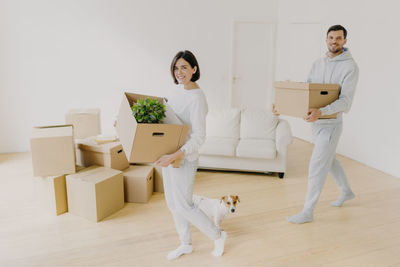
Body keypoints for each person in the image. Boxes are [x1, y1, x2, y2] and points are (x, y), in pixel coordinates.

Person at [273, 25, 359, 224]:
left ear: (345, 41)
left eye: (338, 38)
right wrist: (283, 105)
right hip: (316, 124)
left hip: (331, 125)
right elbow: (307, 92)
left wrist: (323, 112)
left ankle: (308, 211)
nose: (334, 41)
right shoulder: (317, 63)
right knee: (329, 160)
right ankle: (346, 191)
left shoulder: (350, 67)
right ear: (326, 39)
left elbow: (345, 102)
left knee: (316, 166)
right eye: (331, 37)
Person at [155, 50, 227, 259]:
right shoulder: (178, 91)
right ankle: (185, 243)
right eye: (176, 68)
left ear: (194, 69)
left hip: (184, 159)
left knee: (185, 205)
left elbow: (199, 137)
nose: (179, 72)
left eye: (184, 67)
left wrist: (175, 155)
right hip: (170, 156)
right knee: (172, 203)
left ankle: (218, 235)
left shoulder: (197, 98)